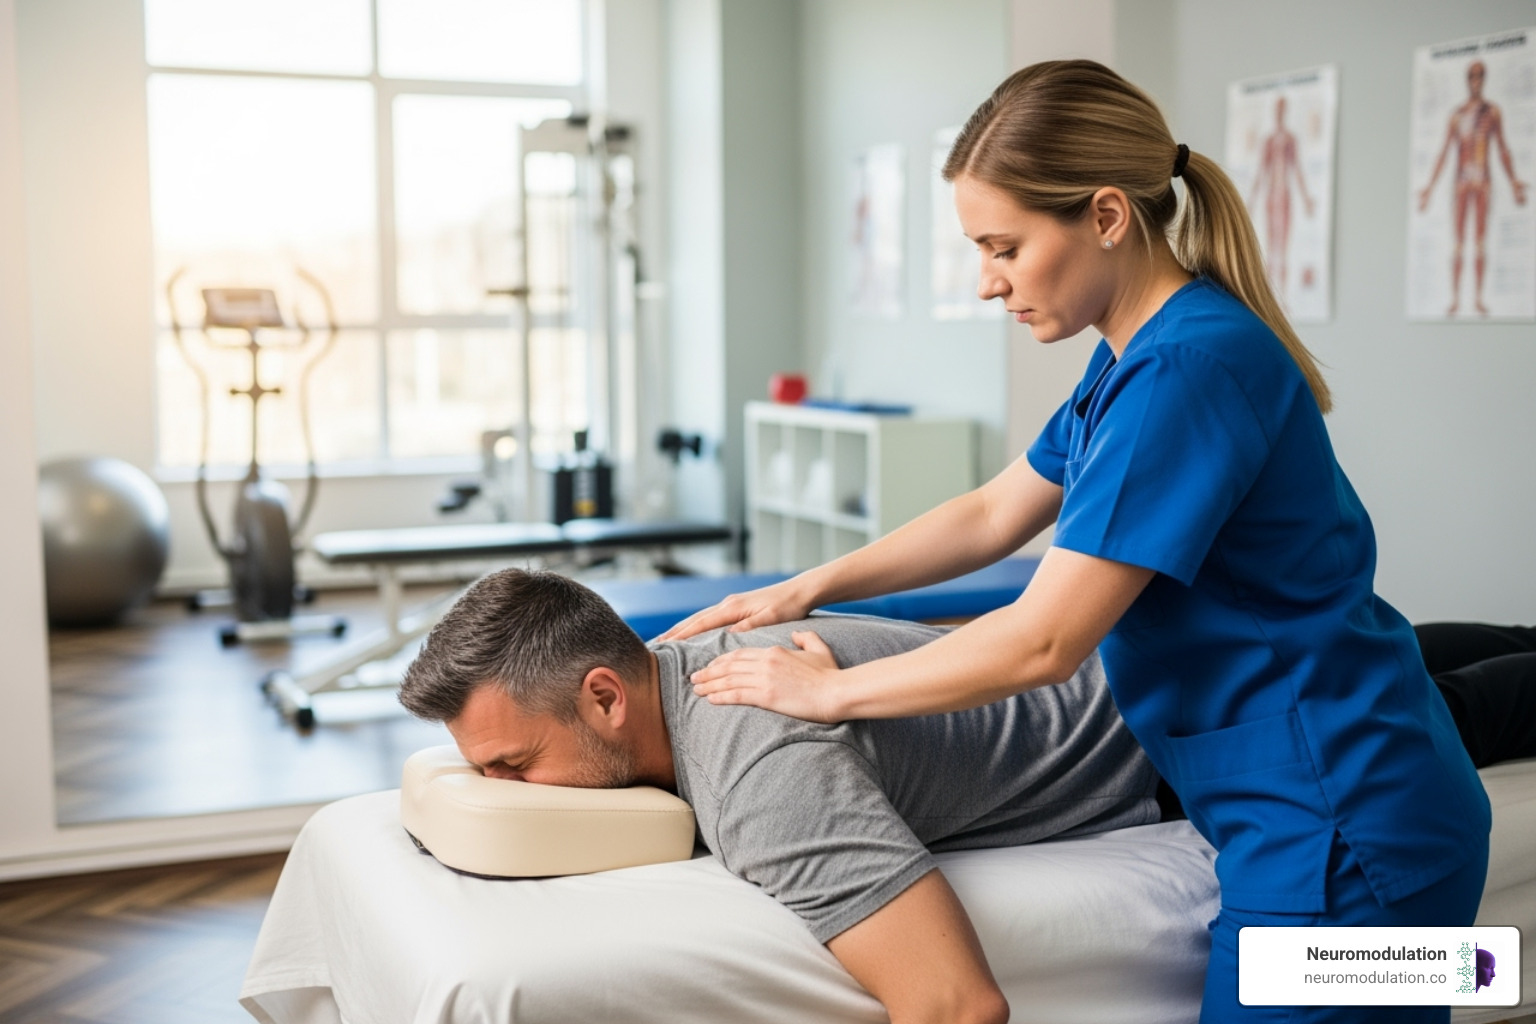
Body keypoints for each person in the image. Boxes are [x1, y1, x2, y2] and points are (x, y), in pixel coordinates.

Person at [667, 60, 1492, 1024]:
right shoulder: (1131, 361)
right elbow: (990, 513)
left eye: (1004, 247)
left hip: (1355, 845)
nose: (988, 283)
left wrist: (831, 693)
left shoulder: (1184, 368)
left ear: (1105, 216)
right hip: (1318, 819)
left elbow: (1043, 641)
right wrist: (800, 589)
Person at [398, 567, 1163, 1024]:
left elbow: (958, 1005)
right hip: (1149, 666)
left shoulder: (761, 775)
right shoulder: (671, 663)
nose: (501, 793)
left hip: (1181, 745)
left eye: (516, 763)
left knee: (1280, 976)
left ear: (605, 698)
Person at [1416, 59, 1529, 317]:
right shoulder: (1457, 115)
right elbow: (1444, 153)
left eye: (1480, 76)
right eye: (1472, 76)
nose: (1476, 80)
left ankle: (1477, 298)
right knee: (1458, 243)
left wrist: (1513, 183)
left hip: (1482, 183)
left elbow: (1502, 148)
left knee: (1479, 243)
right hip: (1461, 184)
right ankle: (1456, 299)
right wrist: (1429, 189)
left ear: (1484, 79)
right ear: (1467, 79)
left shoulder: (1492, 112)